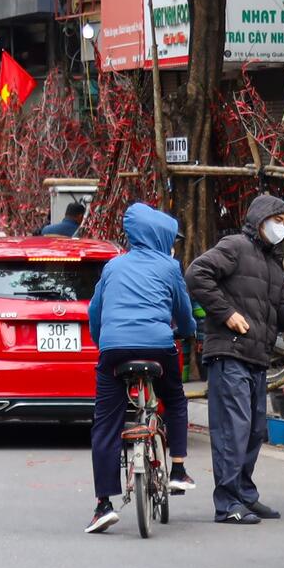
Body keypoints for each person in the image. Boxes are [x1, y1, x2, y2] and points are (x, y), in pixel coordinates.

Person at [185, 192, 284, 524]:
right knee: (232, 429)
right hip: (228, 353)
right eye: (276, 221)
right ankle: (227, 503)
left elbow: (277, 316)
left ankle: (244, 494)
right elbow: (196, 274)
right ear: (260, 219)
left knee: (253, 430)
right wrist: (226, 314)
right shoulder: (235, 247)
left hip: (256, 356)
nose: (281, 228)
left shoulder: (273, 265)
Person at [84, 203, 197, 534]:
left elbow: (96, 312)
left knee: (105, 422)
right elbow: (184, 309)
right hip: (159, 347)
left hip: (114, 349)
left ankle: (103, 504)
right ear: (160, 236)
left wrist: (101, 340)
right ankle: (177, 469)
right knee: (174, 399)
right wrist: (187, 330)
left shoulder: (113, 267)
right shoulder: (170, 266)